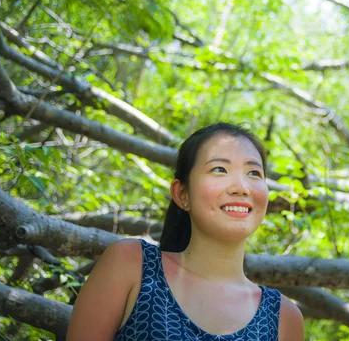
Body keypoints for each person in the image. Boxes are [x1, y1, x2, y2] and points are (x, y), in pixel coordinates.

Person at [67, 123, 305, 340]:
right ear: (182, 194)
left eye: (254, 173)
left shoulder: (282, 317)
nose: (241, 188)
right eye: (220, 169)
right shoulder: (132, 265)